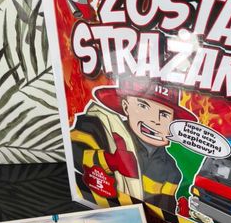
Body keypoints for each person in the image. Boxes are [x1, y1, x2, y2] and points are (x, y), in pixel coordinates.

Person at [71, 76, 196, 215]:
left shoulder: (171, 171)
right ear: (126, 107)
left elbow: (163, 211)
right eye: (143, 106)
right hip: (91, 210)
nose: (155, 120)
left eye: (164, 114)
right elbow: (74, 155)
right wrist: (109, 160)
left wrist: (178, 214)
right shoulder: (97, 126)